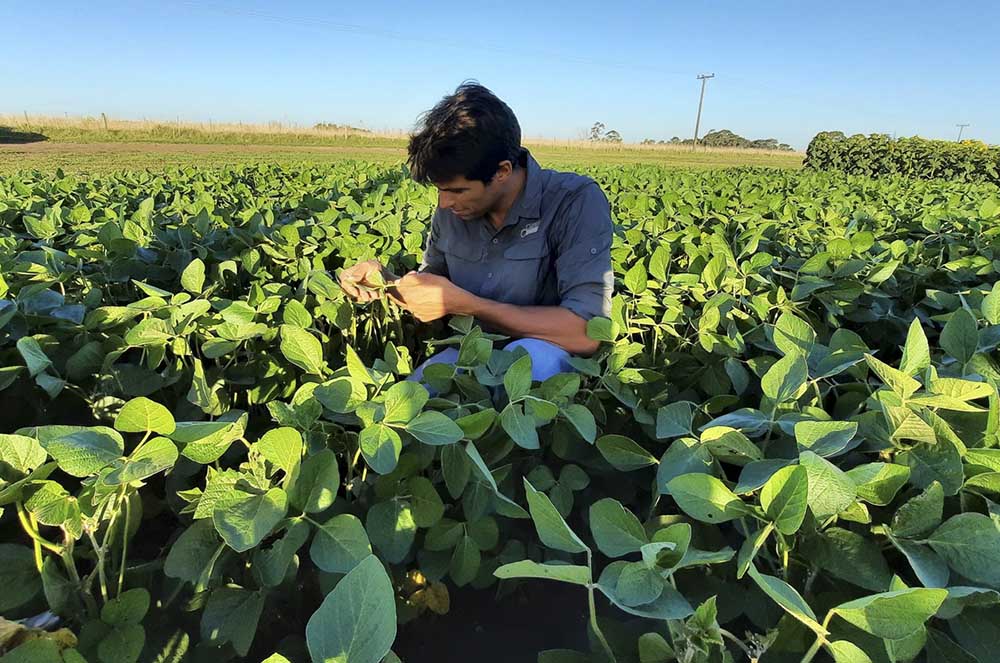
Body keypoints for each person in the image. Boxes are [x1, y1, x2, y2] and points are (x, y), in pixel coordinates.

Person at [338, 82, 614, 385]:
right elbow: (433, 290)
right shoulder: (453, 208)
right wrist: (385, 283)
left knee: (526, 359)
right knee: (415, 393)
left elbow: (587, 333)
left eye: (457, 190)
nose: (444, 203)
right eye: (441, 190)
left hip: (547, 350)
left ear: (502, 172)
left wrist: (471, 306)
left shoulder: (574, 200)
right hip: (468, 352)